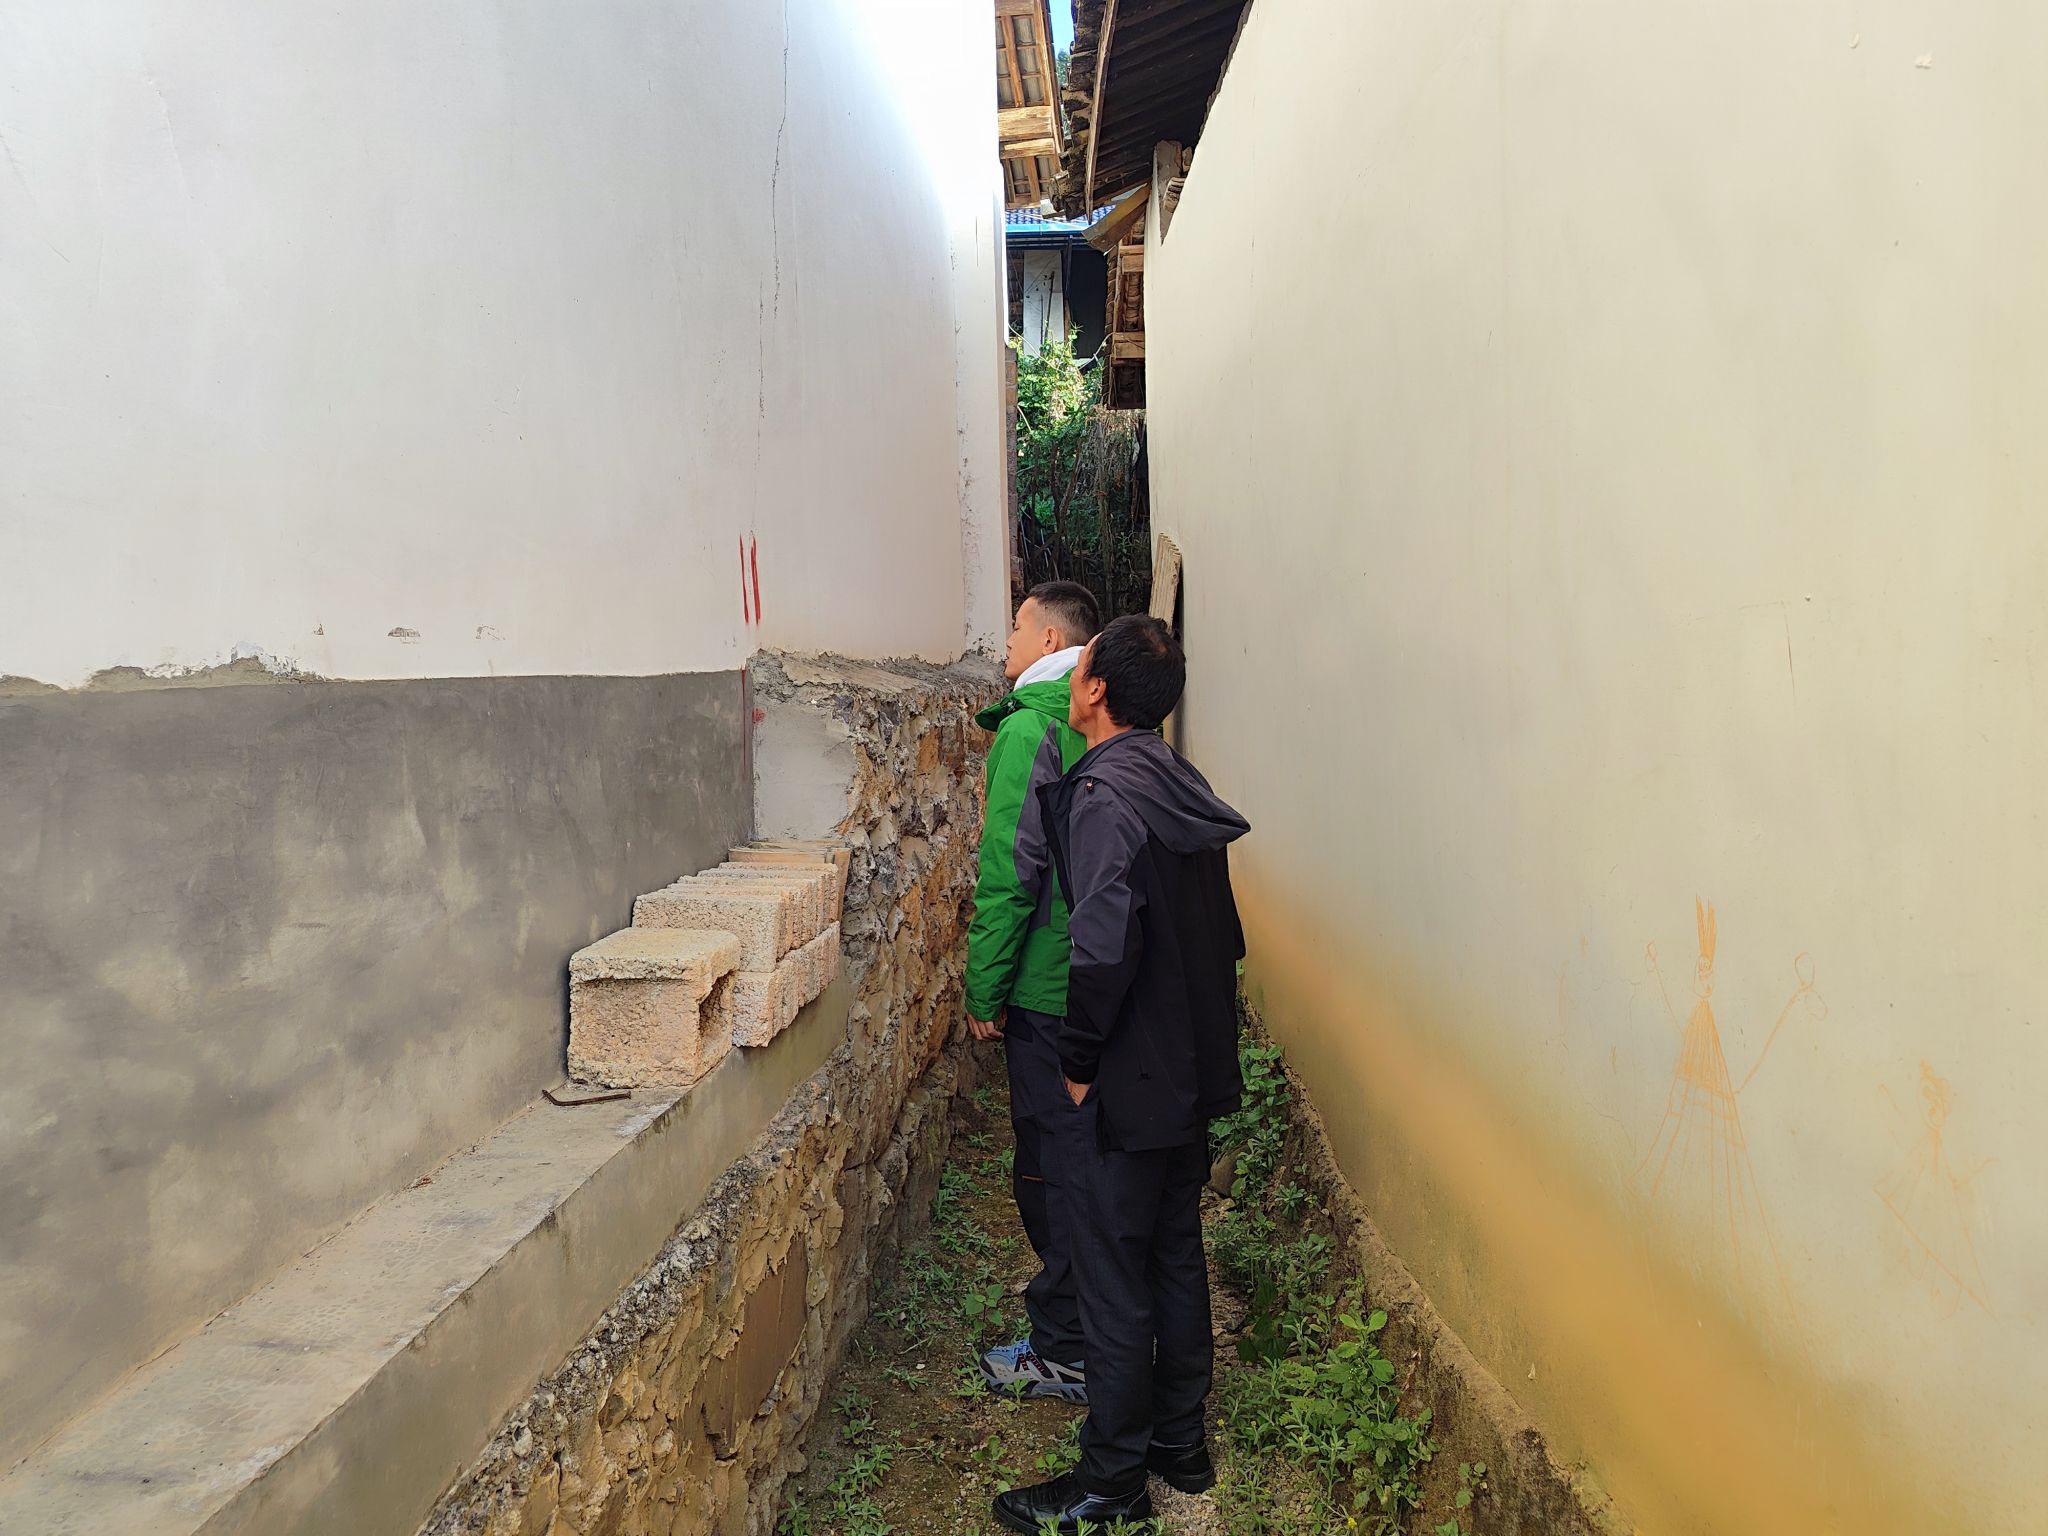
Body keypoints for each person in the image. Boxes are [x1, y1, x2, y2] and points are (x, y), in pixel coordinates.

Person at [993, 615, 1250, 1536]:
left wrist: (1078, 1058)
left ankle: (1110, 1484)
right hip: (1184, 1068)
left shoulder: (1104, 795)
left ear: (1096, 689)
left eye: (1080, 664)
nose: (1071, 674)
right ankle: (1179, 1443)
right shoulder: (1177, 781)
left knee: (1110, 1272)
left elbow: (1100, 947)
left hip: (1127, 1075)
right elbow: (1222, 938)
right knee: (1174, 1251)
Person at [966, 580, 1102, 1403]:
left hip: (1046, 989)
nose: (1007, 641)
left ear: (1051, 640)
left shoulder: (1030, 729)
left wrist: (986, 989)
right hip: (1097, 978)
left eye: (1017, 626)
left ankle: (1067, 1348)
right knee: (1086, 1157)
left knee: (1051, 1168)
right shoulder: (1108, 721)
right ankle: (1096, 1329)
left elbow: (1010, 874)